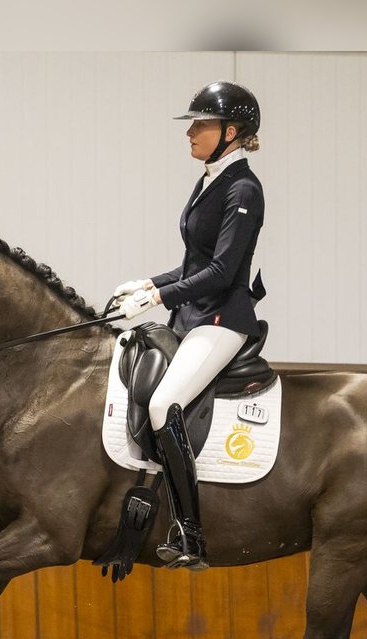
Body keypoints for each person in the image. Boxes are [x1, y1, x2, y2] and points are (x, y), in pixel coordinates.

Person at [112, 81, 265, 571]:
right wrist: (148, 282)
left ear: (232, 131)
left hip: (223, 319)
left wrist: (156, 297)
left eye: (200, 124)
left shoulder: (244, 188)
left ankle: (190, 533)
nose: (191, 132)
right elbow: (193, 263)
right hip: (194, 315)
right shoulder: (209, 180)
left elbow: (221, 272)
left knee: (163, 403)